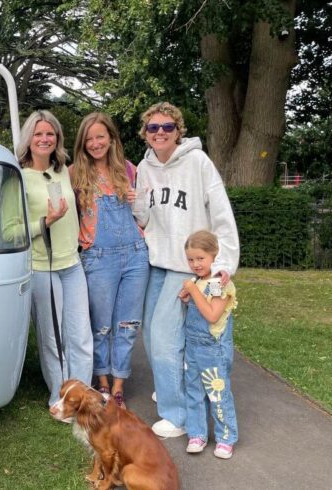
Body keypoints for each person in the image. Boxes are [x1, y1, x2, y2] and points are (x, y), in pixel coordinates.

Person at [132, 102, 239, 438]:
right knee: (150, 334)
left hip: (187, 266)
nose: (160, 132)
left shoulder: (197, 162)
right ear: (145, 134)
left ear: (178, 131)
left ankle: (177, 416)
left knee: (164, 340)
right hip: (158, 263)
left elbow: (221, 214)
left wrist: (223, 265)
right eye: (153, 128)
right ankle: (172, 388)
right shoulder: (144, 166)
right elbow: (145, 217)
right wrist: (138, 201)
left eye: (167, 127)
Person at [70, 112, 149, 409]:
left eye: (100, 136)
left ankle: (118, 386)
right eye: (89, 138)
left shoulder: (127, 170)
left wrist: (142, 220)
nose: (95, 143)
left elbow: (144, 211)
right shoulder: (75, 173)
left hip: (135, 256)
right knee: (100, 325)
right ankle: (102, 382)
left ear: (111, 138)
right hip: (98, 258)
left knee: (127, 324)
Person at [17, 110, 93, 406]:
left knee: (80, 334)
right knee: (52, 339)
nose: (44, 139)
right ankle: (60, 395)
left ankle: (82, 393)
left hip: (72, 265)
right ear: (29, 139)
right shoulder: (19, 177)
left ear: (57, 139)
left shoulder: (65, 170)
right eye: (38, 134)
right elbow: (10, 230)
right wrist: (44, 222)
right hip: (42, 268)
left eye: (50, 134)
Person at [179, 230, 238, 459]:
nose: (195, 264)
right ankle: (196, 434)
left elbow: (212, 315)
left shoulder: (217, 283)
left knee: (217, 393)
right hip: (193, 348)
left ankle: (225, 438)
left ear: (214, 255)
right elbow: (190, 300)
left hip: (212, 349)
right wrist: (187, 293)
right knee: (193, 392)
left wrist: (193, 291)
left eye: (200, 258)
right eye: (191, 259)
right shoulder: (198, 281)